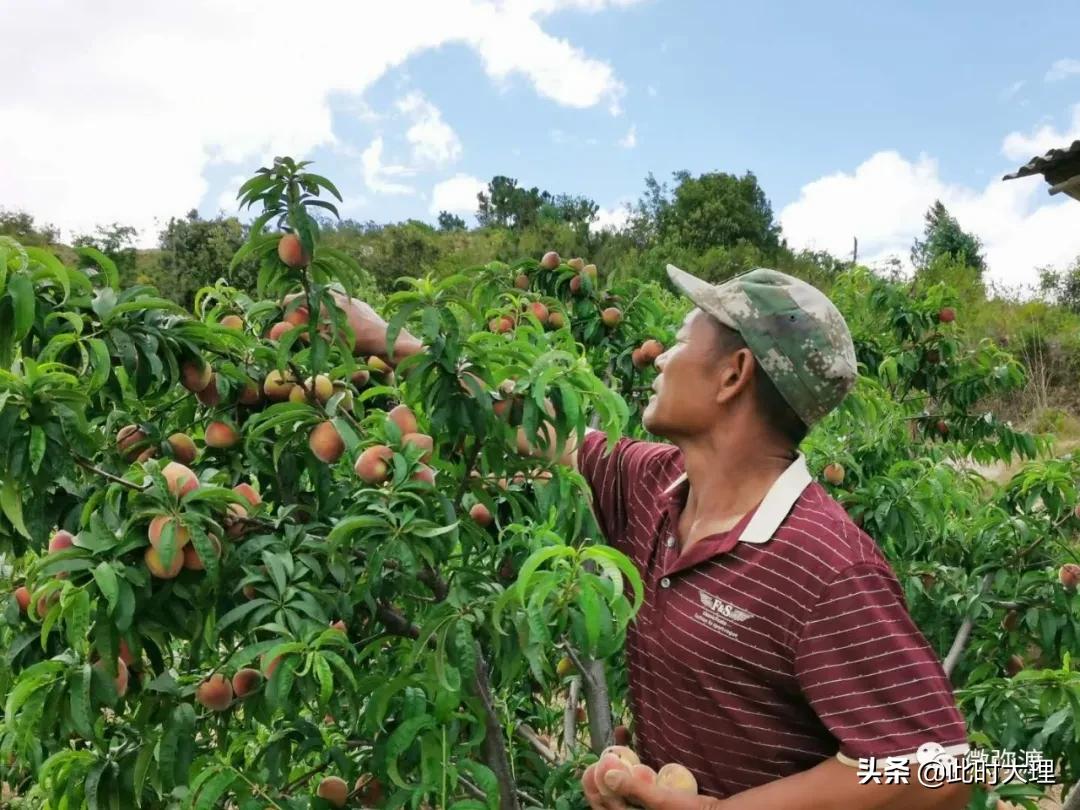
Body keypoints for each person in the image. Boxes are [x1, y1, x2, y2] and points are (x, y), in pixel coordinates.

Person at [341, 264, 973, 810]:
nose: (664, 357)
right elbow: (540, 430)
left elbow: (941, 770)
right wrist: (396, 342)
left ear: (734, 375)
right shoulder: (657, 483)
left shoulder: (824, 563)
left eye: (678, 340)